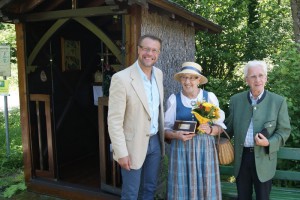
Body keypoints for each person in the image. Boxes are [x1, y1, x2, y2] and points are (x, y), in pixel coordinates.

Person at [107, 34, 165, 200]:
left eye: (154, 50)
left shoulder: (159, 75)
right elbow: (114, 121)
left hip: (154, 142)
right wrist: (121, 152)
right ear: (139, 50)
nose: (150, 53)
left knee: (149, 189)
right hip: (131, 146)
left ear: (158, 54)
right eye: (146, 49)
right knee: (131, 194)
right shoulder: (121, 79)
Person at [225, 60, 291, 200]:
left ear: (266, 78)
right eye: (253, 76)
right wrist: (211, 129)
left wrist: (269, 142)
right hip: (241, 159)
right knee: (243, 197)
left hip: (264, 161)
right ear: (246, 79)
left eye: (261, 75)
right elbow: (227, 129)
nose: (258, 80)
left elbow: (284, 131)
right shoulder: (236, 100)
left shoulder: (278, 102)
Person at [164, 61, 226, 200]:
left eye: (192, 77)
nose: (188, 81)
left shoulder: (209, 97)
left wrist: (210, 129)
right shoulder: (174, 99)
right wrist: (176, 135)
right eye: (184, 77)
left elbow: (220, 127)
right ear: (180, 80)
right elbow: (165, 130)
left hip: (205, 150)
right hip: (181, 149)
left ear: (199, 80)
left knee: (206, 187)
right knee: (181, 189)